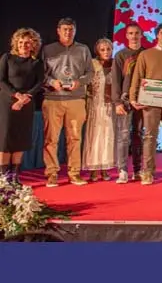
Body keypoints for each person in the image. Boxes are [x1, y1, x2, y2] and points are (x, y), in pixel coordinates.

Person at [129, 22, 162, 186]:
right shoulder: (146, 54)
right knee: (149, 136)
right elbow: (137, 77)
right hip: (149, 102)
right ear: (157, 35)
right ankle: (147, 172)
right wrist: (133, 98)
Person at [42, 17, 94, 187]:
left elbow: (90, 73)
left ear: (75, 30)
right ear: (58, 30)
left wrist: (79, 82)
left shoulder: (83, 49)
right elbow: (39, 74)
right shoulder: (48, 49)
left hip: (76, 100)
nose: (68, 32)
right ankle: (52, 173)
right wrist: (51, 82)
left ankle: (74, 172)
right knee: (51, 139)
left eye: (71, 29)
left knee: (75, 138)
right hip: (53, 99)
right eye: (64, 29)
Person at [0, 28, 44, 184]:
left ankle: (15, 176)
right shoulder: (7, 58)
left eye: (27, 42)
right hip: (7, 103)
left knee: (20, 139)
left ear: (33, 45)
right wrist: (16, 95)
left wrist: (26, 97)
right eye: (20, 42)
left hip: (26, 104)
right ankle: (4, 178)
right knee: (5, 141)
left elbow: (39, 83)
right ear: (15, 43)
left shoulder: (36, 63)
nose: (24, 45)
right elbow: (2, 81)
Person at [113, 22, 145, 184]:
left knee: (138, 135)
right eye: (131, 33)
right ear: (126, 36)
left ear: (142, 35)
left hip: (142, 100)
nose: (134, 36)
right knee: (123, 136)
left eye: (137, 33)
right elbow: (116, 81)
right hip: (125, 101)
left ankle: (138, 170)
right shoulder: (120, 55)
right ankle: (123, 170)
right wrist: (117, 102)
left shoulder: (147, 54)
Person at [83, 38, 116, 181]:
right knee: (94, 136)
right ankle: (94, 168)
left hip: (110, 105)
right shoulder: (92, 64)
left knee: (108, 135)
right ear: (97, 51)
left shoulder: (116, 64)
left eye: (108, 49)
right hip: (95, 104)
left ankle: (105, 168)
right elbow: (86, 84)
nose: (106, 52)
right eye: (103, 50)